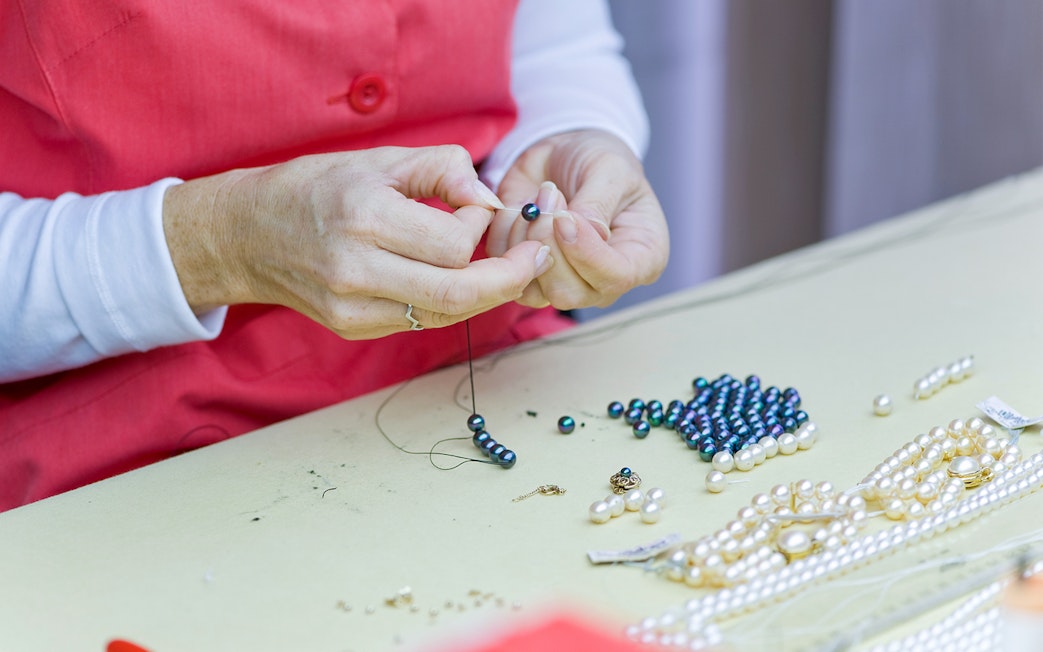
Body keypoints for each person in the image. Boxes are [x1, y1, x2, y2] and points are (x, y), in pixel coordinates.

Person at [0, 0, 669, 510]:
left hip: (500, 377)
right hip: (106, 481)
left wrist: (574, 136)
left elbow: (551, 41)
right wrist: (215, 246)